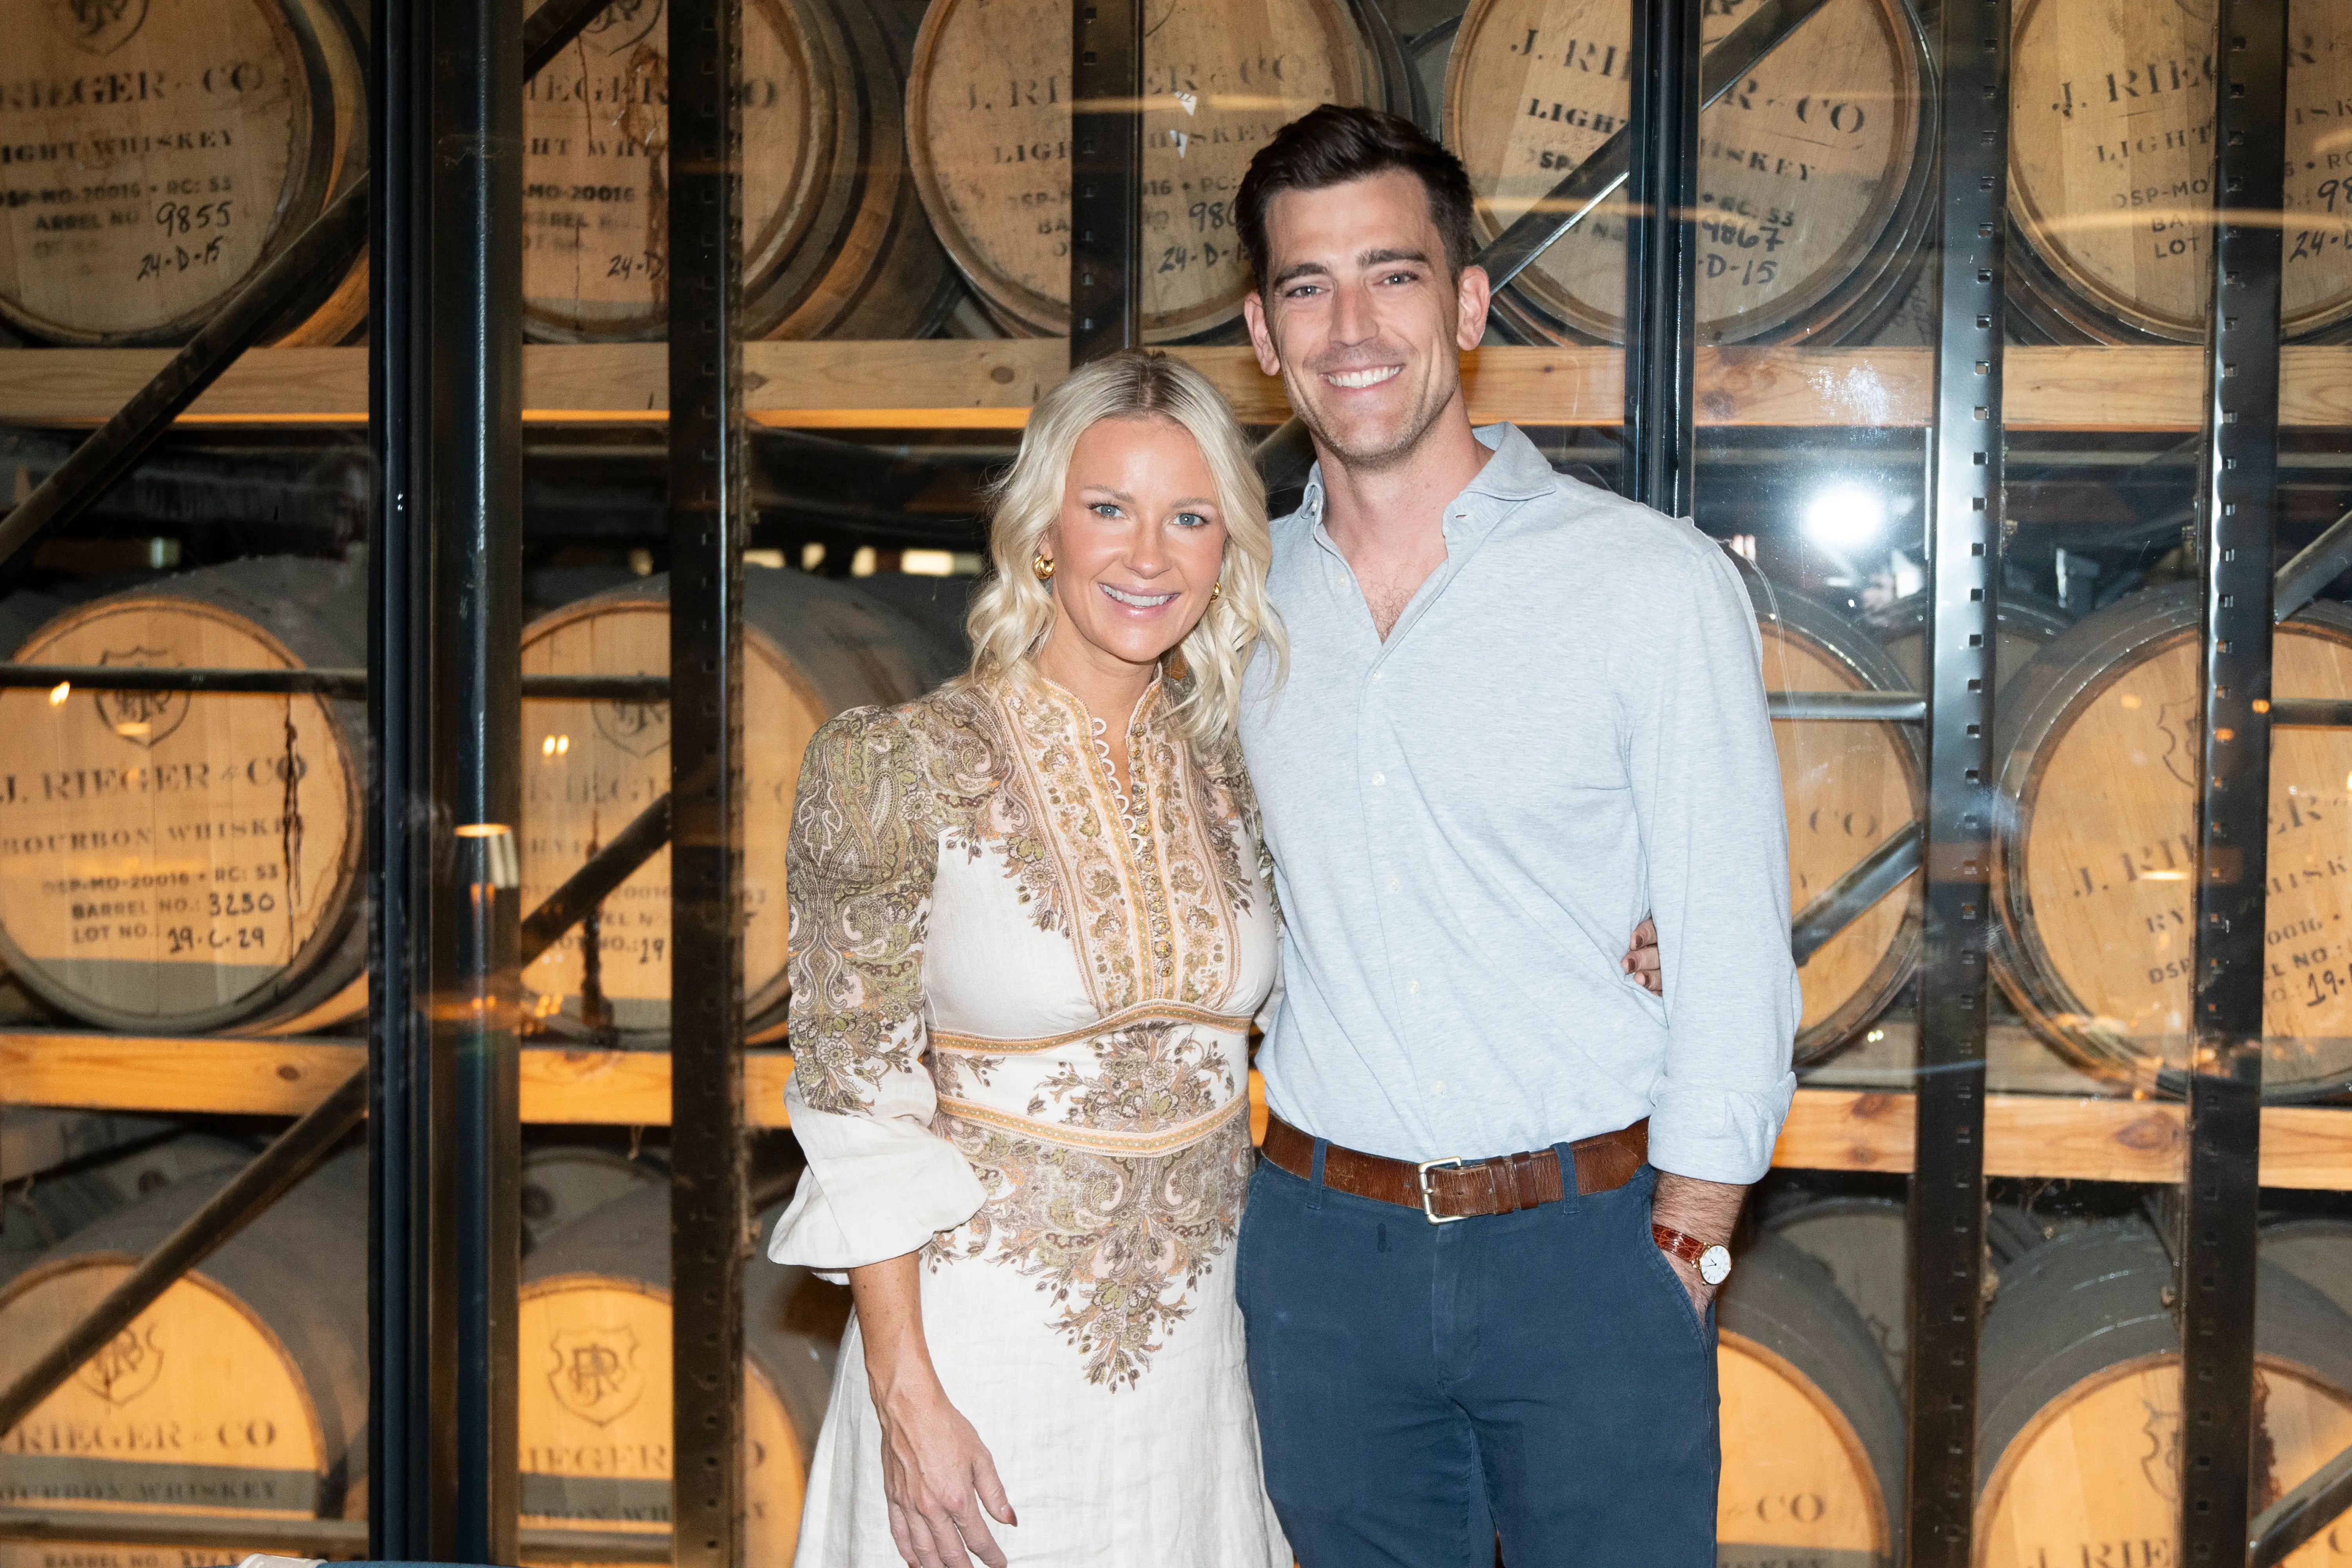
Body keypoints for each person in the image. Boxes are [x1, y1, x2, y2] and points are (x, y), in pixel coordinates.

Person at [766, 349, 1665, 1568]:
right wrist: (904, 1389)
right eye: (1109, 509)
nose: (1149, 555)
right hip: (976, 1359)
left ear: (1229, 550)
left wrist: (1612, 935)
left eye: (1190, 518)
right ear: (1043, 532)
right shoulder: (896, 765)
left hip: (1206, 1355)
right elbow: (855, 1099)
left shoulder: (1246, 764)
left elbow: (1390, 922)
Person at [1230, 105, 1801, 1568]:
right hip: (1319, 1257)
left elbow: (1730, 931)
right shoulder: (1229, 605)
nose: (1353, 327)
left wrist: (1692, 1236)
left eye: (1394, 274)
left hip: (1591, 1248)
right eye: (1308, 287)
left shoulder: (1646, 584)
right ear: (1264, 332)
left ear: (1469, 305)